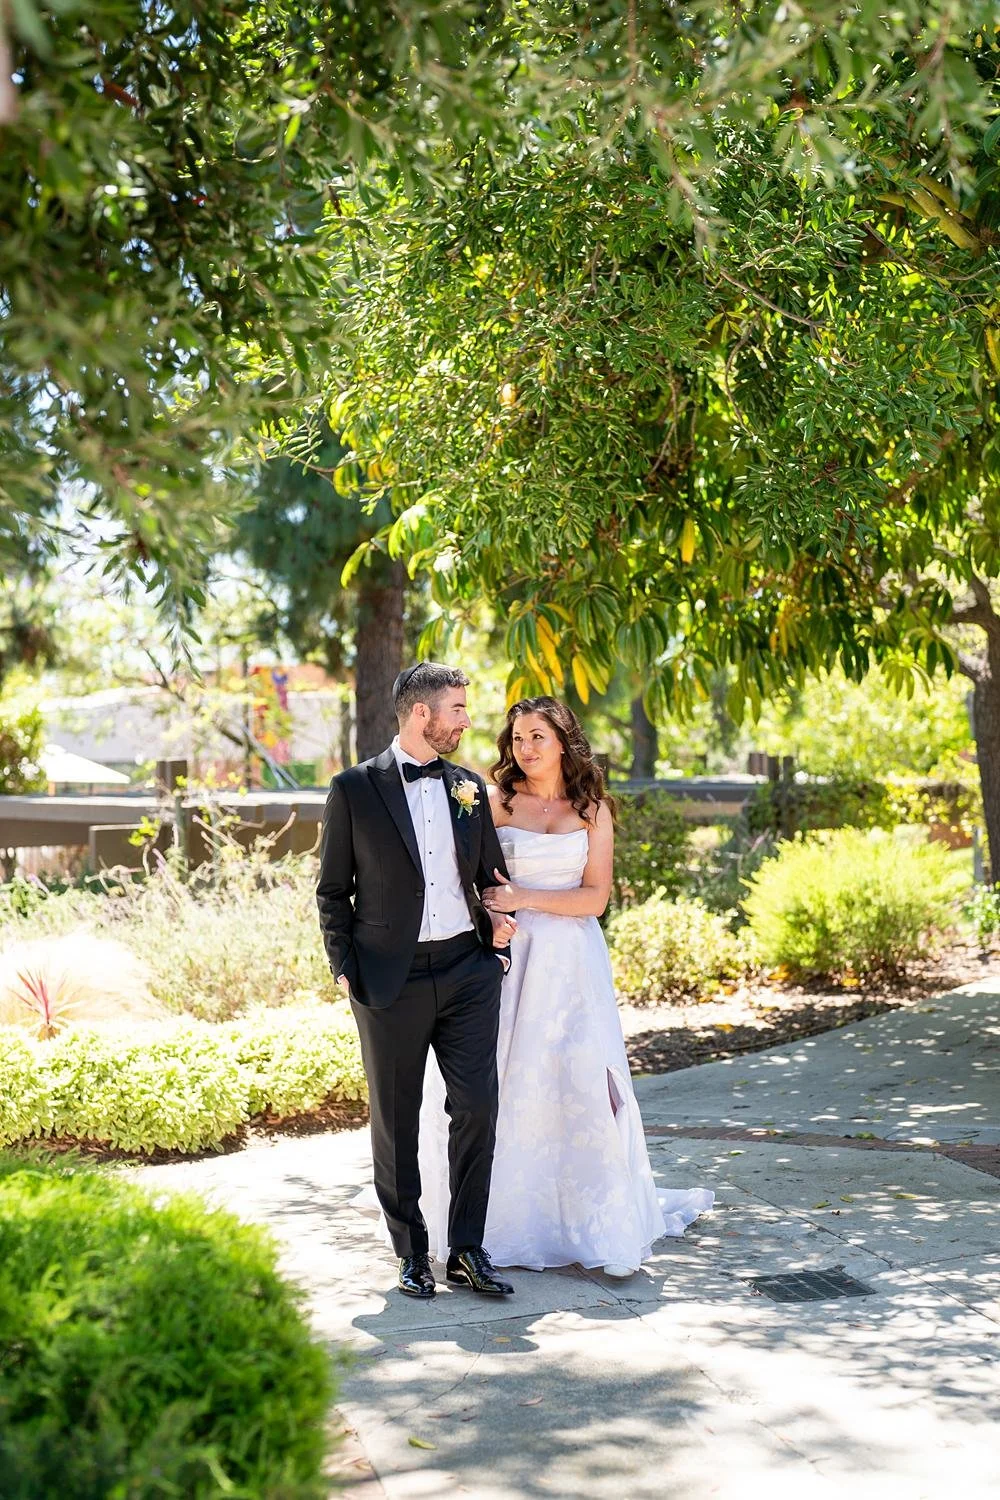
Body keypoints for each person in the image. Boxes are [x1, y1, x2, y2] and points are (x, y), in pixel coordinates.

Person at [416, 697, 713, 1276]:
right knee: (501, 1074)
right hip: (505, 955)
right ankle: (492, 1218)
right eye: (518, 737)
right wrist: (491, 911)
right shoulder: (494, 801)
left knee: (575, 1074)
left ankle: (584, 1215)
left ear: (562, 742)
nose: (525, 748)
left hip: (571, 963)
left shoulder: (592, 808)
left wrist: (524, 897)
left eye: (538, 737)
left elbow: (595, 898)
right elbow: (460, 872)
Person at [316, 662, 518, 1301]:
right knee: (396, 1120)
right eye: (457, 708)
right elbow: (332, 892)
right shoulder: (353, 789)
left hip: (467, 972)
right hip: (388, 981)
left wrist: (499, 927)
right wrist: (347, 970)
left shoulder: (468, 786)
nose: (466, 720)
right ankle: (410, 1252)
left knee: (478, 1107)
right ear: (421, 713)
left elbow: (490, 875)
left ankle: (466, 1249)